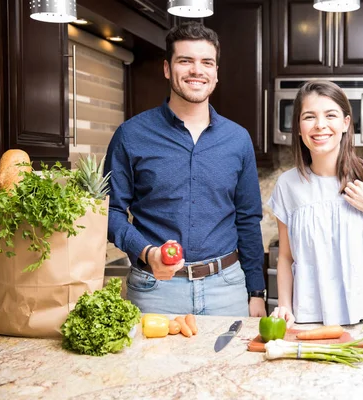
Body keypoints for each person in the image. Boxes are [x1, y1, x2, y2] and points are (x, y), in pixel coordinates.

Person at [104, 21, 266, 317]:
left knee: (229, 365)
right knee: (153, 365)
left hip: (227, 289)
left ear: (216, 72)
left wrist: (256, 291)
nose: (197, 70)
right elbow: (109, 213)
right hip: (155, 290)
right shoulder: (131, 135)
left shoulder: (238, 139)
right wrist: (146, 251)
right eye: (185, 61)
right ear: (167, 69)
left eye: (206, 62)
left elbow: (248, 219)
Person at [268, 80, 363, 327]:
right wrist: (285, 306)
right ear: (299, 128)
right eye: (309, 117)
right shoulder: (288, 185)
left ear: (345, 123)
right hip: (310, 318)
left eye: (330, 115)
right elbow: (286, 258)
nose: (320, 125)